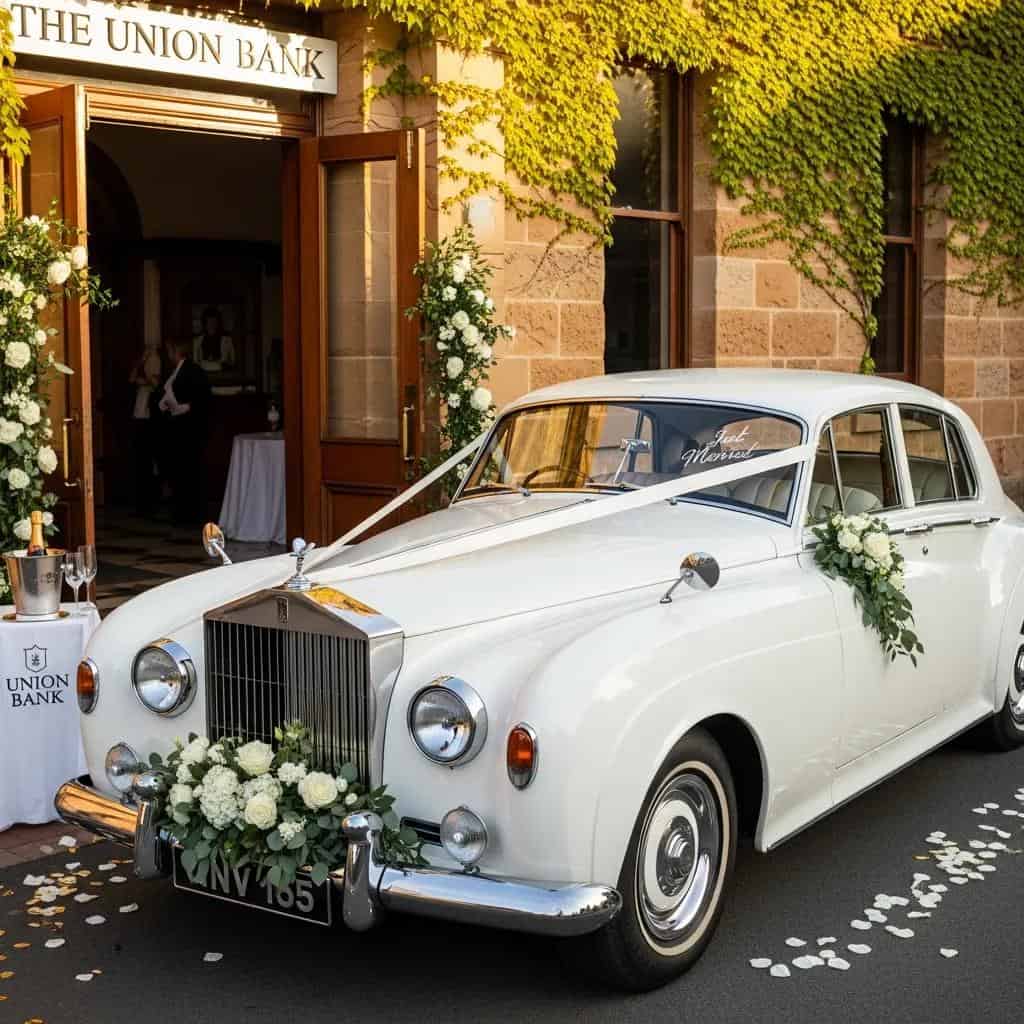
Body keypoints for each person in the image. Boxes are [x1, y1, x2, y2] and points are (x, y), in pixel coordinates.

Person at [154, 337, 211, 526]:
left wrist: (187, 407)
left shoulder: (193, 370)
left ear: (176, 351)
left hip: (189, 430)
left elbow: (203, 397)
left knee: (189, 472)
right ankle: (181, 513)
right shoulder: (175, 371)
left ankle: (190, 515)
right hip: (176, 428)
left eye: (170, 351)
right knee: (178, 471)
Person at [128, 341, 163, 516]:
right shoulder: (141, 372)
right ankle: (140, 504)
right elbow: (131, 378)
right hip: (138, 419)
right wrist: (141, 360)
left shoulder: (156, 379)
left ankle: (151, 504)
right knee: (139, 463)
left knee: (150, 464)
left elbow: (156, 385)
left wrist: (148, 376)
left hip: (150, 421)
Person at [193, 305, 235, 373]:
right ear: (205, 322)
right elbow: (195, 362)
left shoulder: (227, 340)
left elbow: (232, 361)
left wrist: (225, 365)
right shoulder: (197, 341)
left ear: (218, 322)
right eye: (209, 321)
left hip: (223, 374)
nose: (211, 324)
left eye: (214, 321)